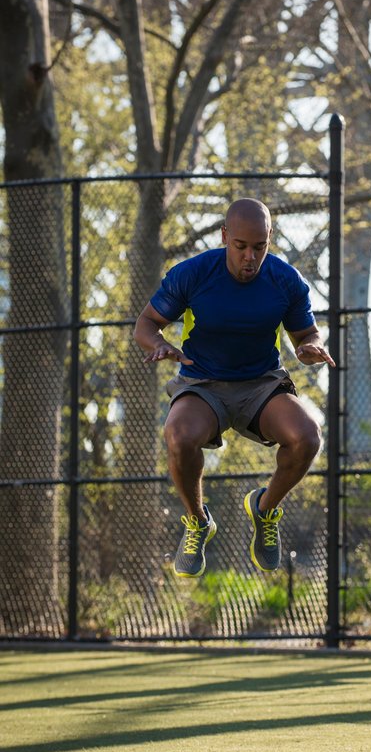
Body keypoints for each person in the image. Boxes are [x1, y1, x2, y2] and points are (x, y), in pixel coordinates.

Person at [134, 197, 335, 579]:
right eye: (241, 246)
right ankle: (197, 522)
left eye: (259, 247)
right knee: (178, 435)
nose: (249, 256)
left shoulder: (286, 280)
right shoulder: (193, 274)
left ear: (269, 240)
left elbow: (305, 335)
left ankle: (264, 509)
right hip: (202, 381)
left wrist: (310, 349)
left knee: (308, 436)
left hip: (261, 384)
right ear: (225, 235)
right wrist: (157, 344)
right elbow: (146, 325)